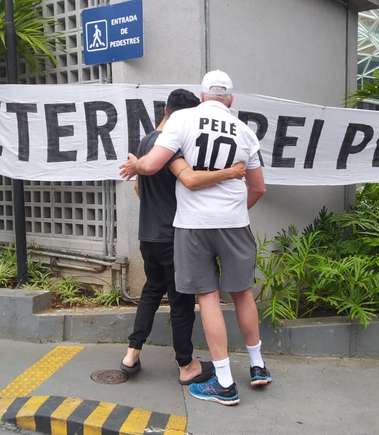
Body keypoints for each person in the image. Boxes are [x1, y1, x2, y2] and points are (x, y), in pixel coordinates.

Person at [120, 70, 270, 406]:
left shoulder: (183, 120)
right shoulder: (246, 131)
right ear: (230, 100)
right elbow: (259, 187)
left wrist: (138, 166)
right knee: (243, 294)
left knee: (207, 298)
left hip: (192, 225)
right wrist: (235, 210)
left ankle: (225, 382)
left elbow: (153, 165)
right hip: (234, 223)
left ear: (202, 97)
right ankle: (258, 367)